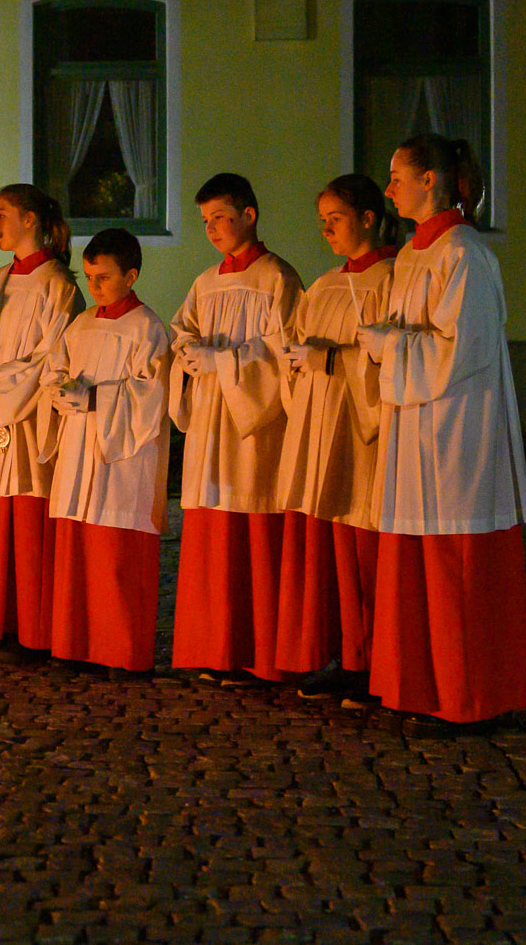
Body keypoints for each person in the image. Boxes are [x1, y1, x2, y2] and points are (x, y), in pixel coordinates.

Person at [358, 133, 526, 736]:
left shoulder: (464, 254)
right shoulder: (412, 254)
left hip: (458, 429)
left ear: (430, 180)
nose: (387, 190)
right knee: (415, 552)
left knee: (454, 560)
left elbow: (464, 349)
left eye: (396, 177)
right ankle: (421, 684)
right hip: (417, 426)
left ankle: (467, 694)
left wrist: (389, 344)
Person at [169, 172, 302, 687]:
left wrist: (223, 361)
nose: (212, 230)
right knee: (211, 525)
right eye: (204, 221)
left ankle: (259, 652)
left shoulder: (278, 278)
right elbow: (182, 333)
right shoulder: (206, 282)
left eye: (221, 218)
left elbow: (282, 354)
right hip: (210, 419)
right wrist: (189, 355)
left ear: (249, 215)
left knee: (251, 526)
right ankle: (214, 646)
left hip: (254, 427)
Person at [273, 174, 397, 701]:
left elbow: (390, 360)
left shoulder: (395, 280)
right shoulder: (322, 288)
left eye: (336, 219)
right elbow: (292, 357)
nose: (325, 230)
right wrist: (296, 365)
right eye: (321, 221)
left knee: (367, 544)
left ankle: (378, 661)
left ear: (369, 218)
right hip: (322, 428)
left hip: (365, 433)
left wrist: (328, 359)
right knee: (336, 547)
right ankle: (348, 654)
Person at [0, 184, 83, 663]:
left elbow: (54, 359)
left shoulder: (59, 286)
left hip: (27, 421)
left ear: (29, 219)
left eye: (1, 215)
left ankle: (32, 628)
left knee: (26, 521)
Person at [38, 228, 170, 678]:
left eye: (105, 278)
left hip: (121, 456)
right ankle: (75, 644)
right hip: (79, 449)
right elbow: (56, 368)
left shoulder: (147, 327)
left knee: (115, 554)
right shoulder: (82, 323)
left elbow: (151, 394)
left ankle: (122, 652)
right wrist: (62, 389)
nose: (94, 288)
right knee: (77, 549)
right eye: (90, 277)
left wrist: (96, 399)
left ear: (131, 276)